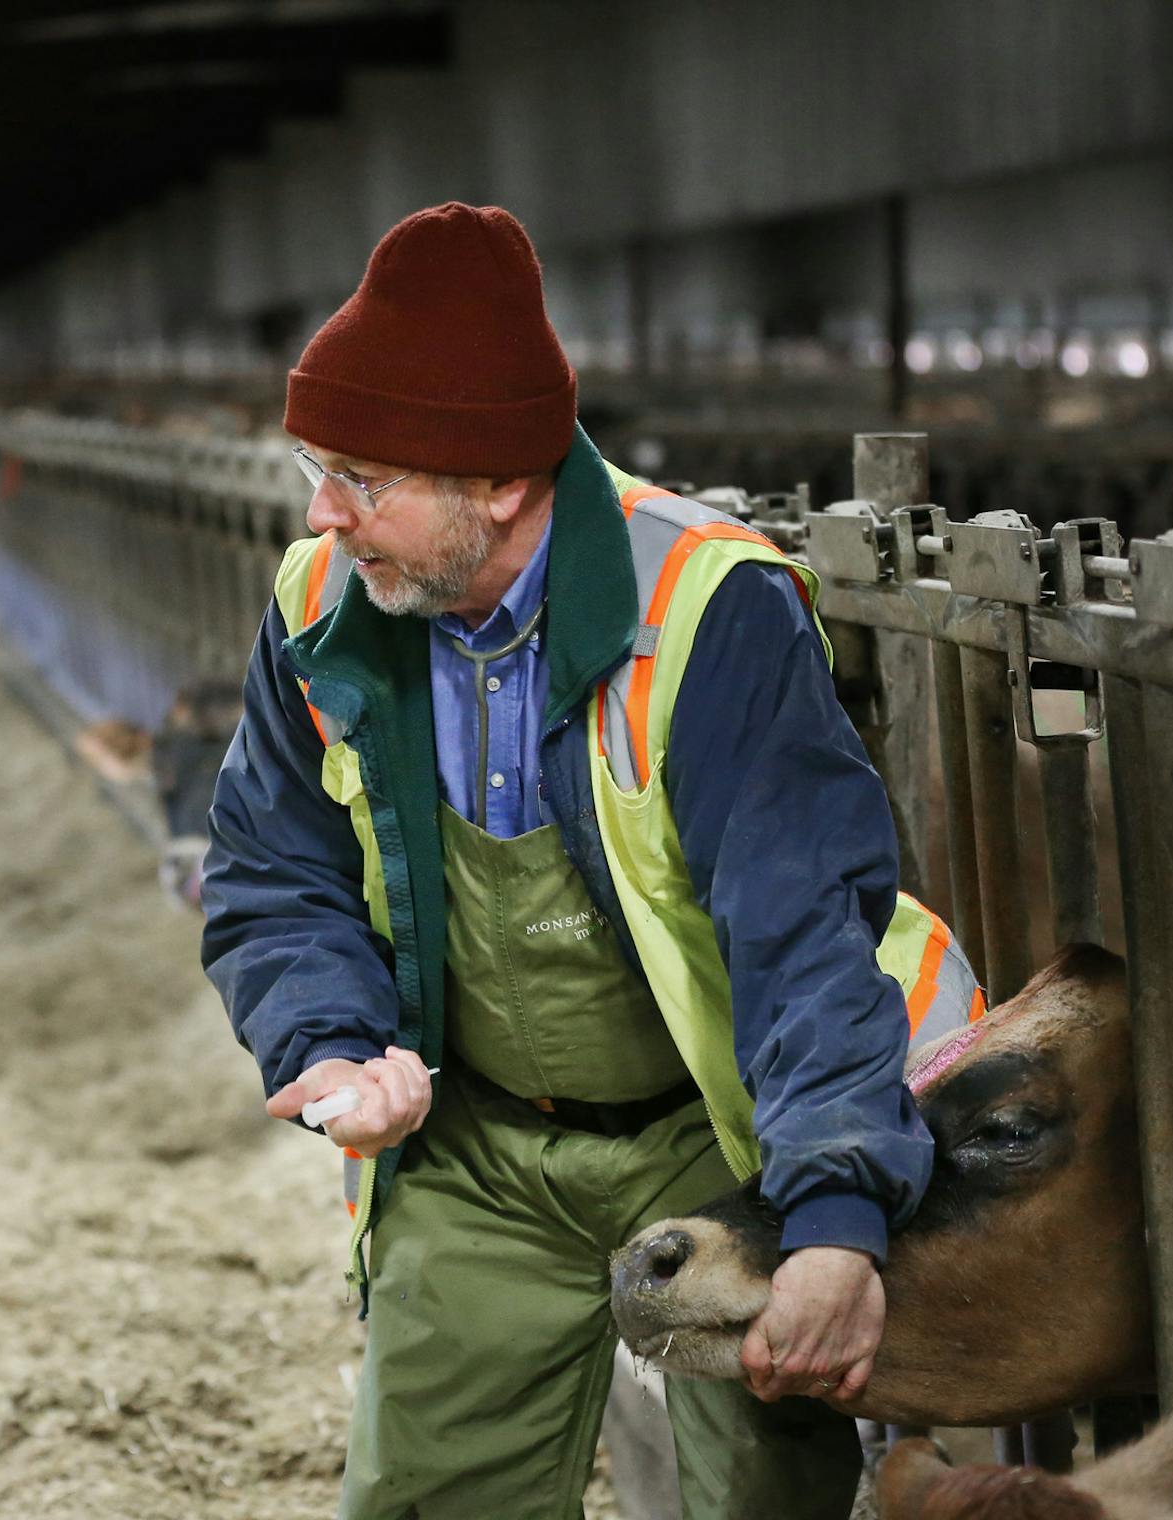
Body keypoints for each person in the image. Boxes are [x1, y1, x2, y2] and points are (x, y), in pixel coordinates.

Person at [200, 203, 981, 1519]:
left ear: (494, 482)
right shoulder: (322, 602)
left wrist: (837, 1212)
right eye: (313, 473)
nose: (325, 516)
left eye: (361, 478)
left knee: (762, 1497)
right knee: (428, 1496)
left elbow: (798, 936)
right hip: (476, 1140)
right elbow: (275, 865)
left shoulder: (708, 608)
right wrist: (327, 1042)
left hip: (712, 1136)